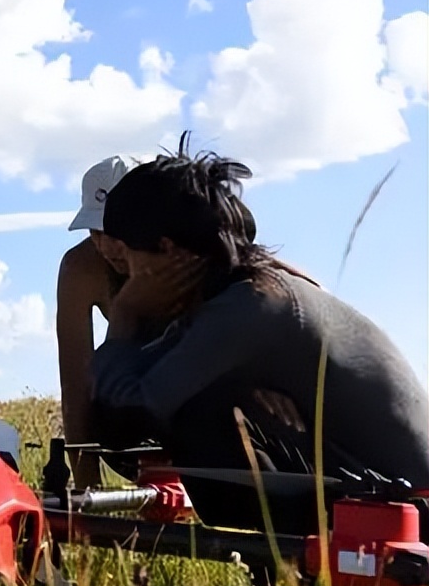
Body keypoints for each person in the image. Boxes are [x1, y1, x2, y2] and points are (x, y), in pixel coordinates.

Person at [91, 138, 429, 531]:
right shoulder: (242, 295)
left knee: (196, 417)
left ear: (166, 250)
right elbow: (117, 416)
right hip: (380, 496)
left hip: (406, 510)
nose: (127, 273)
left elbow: (126, 420)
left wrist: (124, 316)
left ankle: (281, 571)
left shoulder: (251, 306)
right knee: (204, 403)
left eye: (130, 257)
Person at [56, 156, 131, 487]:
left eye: (119, 232)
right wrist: (88, 491)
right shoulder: (80, 268)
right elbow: (76, 383)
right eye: (97, 231)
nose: (107, 244)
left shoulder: (189, 255)